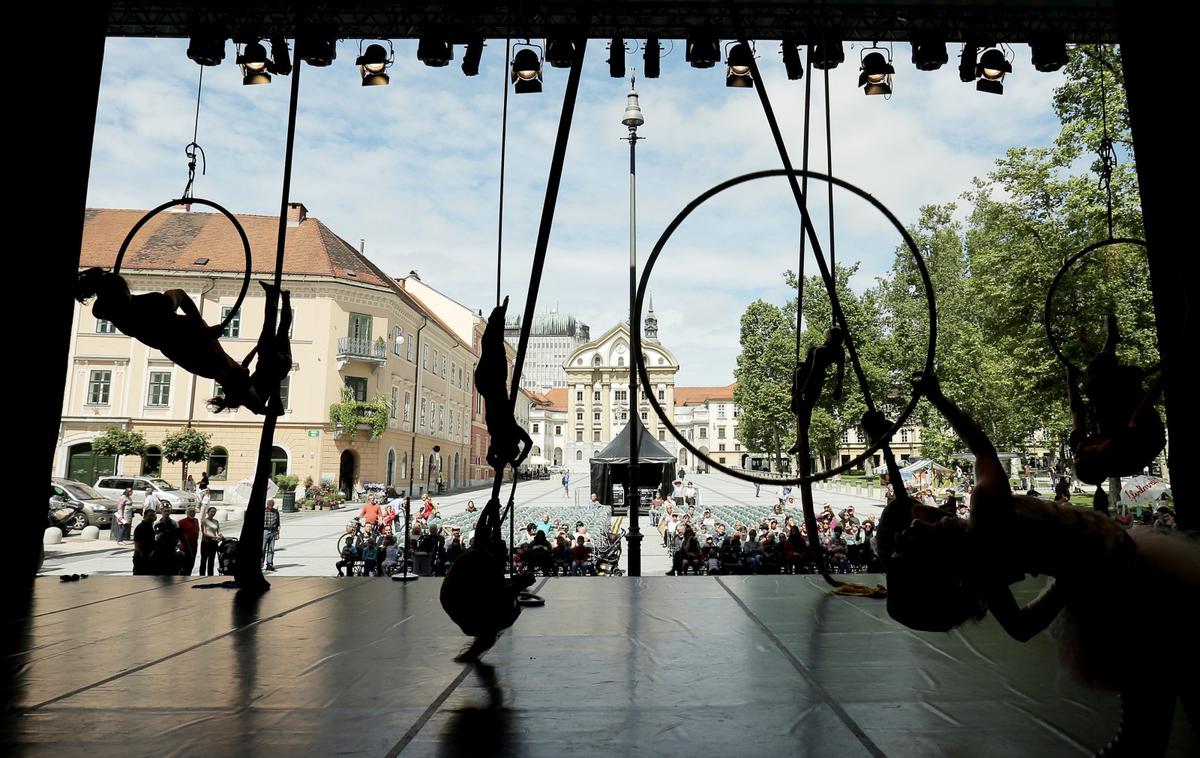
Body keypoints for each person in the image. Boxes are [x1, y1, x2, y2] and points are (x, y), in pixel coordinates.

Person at [883, 375, 1199, 758]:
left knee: (1151, 698)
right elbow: (977, 441)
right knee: (1157, 688)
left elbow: (1020, 627)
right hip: (1125, 579)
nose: (915, 523)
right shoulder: (988, 509)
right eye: (911, 536)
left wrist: (1066, 582)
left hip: (1104, 585)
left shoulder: (980, 572)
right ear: (936, 558)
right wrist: (938, 399)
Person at [132, 508, 157, 575]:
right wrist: (142, 554)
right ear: (144, 516)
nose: (152, 517)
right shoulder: (140, 527)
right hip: (141, 557)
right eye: (150, 516)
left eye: (153, 516)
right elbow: (137, 543)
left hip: (149, 556)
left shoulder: (150, 526)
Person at [199, 506, 222, 576]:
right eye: (211, 511)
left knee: (211, 560)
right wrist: (215, 537)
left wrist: (221, 536)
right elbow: (205, 533)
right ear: (207, 512)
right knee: (204, 560)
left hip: (213, 543)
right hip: (206, 543)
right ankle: (201, 575)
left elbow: (219, 531)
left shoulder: (216, 521)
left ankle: (210, 576)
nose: (213, 513)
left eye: (214, 511)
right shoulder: (204, 521)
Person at [178, 506, 200, 576]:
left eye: (194, 512)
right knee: (184, 566)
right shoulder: (181, 522)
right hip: (184, 547)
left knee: (191, 564)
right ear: (186, 513)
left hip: (194, 546)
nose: (192, 513)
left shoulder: (196, 520)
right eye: (190, 512)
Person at [262, 498, 280, 571]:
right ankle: (260, 564)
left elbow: (278, 523)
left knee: (271, 549)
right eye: (269, 505)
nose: (271, 507)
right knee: (262, 549)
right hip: (264, 531)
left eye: (272, 505)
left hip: (273, 531)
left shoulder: (276, 512)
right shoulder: (263, 511)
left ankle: (269, 564)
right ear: (267, 505)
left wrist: (277, 533)